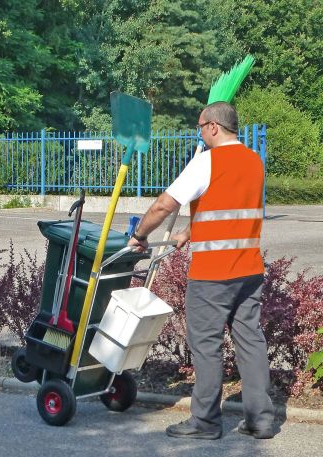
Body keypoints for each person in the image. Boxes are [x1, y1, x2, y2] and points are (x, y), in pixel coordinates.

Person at [128, 102, 275, 440]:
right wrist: (187, 233)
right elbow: (228, 206)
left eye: (199, 127)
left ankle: (206, 422)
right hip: (249, 270)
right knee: (251, 341)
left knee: (206, 345)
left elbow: (165, 204)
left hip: (212, 274)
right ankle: (261, 419)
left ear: (212, 127)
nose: (199, 134)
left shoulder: (206, 161)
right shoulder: (254, 161)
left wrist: (140, 236)